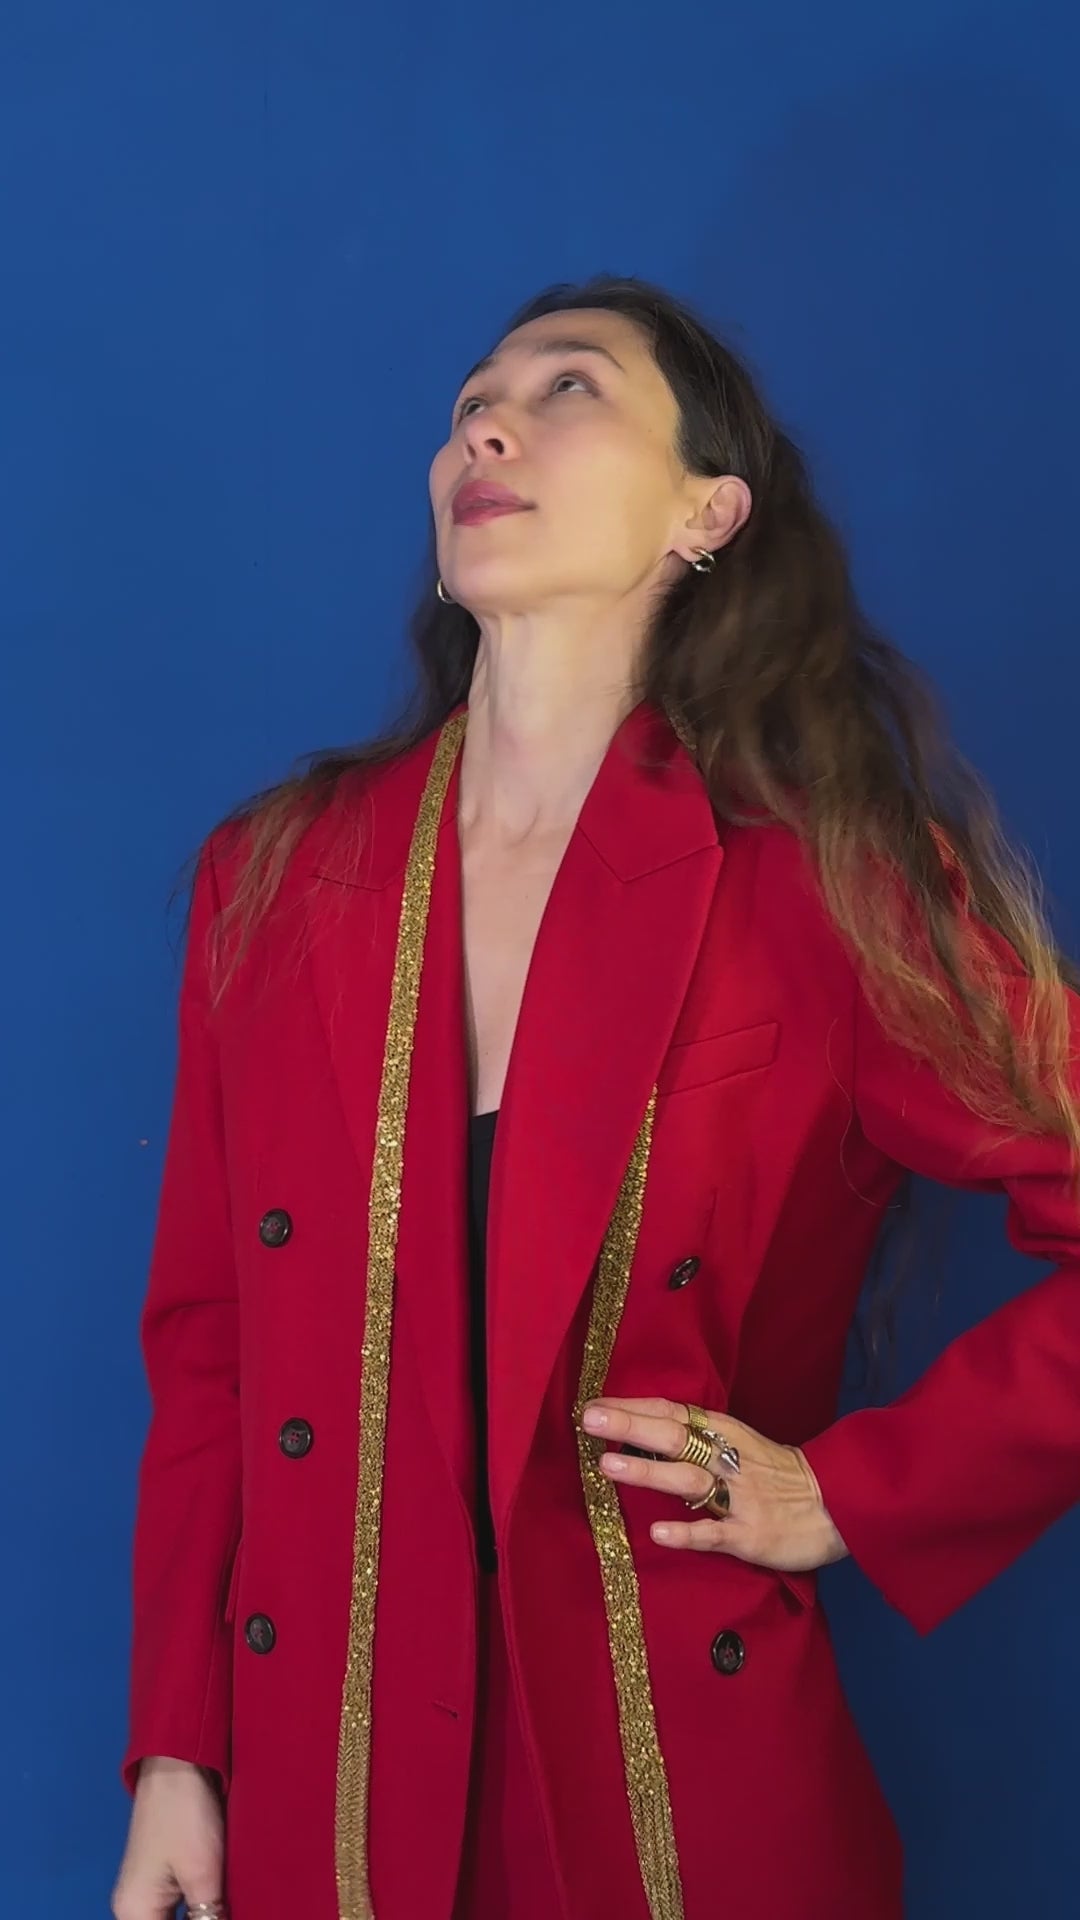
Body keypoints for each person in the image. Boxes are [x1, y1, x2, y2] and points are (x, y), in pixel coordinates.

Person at [111, 275, 1080, 1920]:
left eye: (570, 389)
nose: (486, 428)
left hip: (683, 1798)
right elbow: (212, 1353)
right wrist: (176, 1759)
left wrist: (849, 1491)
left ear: (709, 512)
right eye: (471, 403)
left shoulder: (829, 887)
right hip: (327, 1796)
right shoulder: (270, 882)